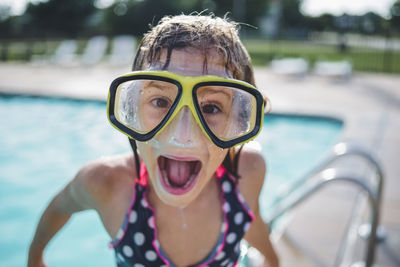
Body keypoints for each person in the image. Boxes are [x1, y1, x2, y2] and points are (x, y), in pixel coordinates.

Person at [28, 14, 279, 267]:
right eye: (160, 102)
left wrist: (272, 258)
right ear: (132, 107)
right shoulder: (105, 183)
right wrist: (35, 258)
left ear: (239, 120)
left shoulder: (247, 170)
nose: (183, 136)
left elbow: (252, 219)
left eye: (211, 107)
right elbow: (58, 209)